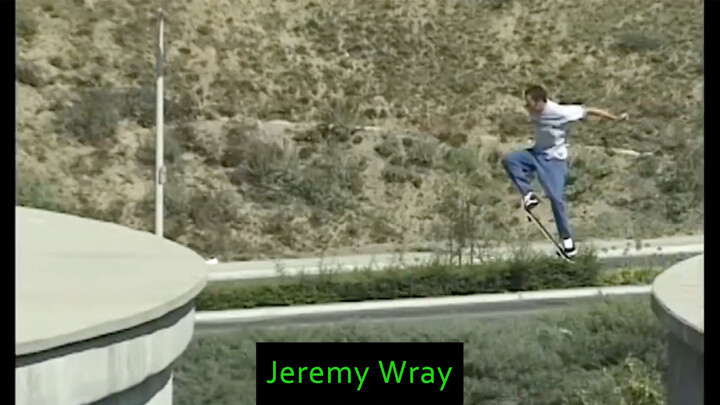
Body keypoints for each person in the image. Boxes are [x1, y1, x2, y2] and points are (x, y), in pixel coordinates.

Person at [502, 85, 628, 258]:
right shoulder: (533, 111)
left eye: (531, 104)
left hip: (554, 161)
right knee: (511, 159)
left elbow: (588, 110)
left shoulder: (560, 112)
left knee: (556, 198)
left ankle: (568, 243)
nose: (529, 108)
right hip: (536, 154)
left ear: (541, 102)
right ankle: (528, 195)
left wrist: (614, 118)